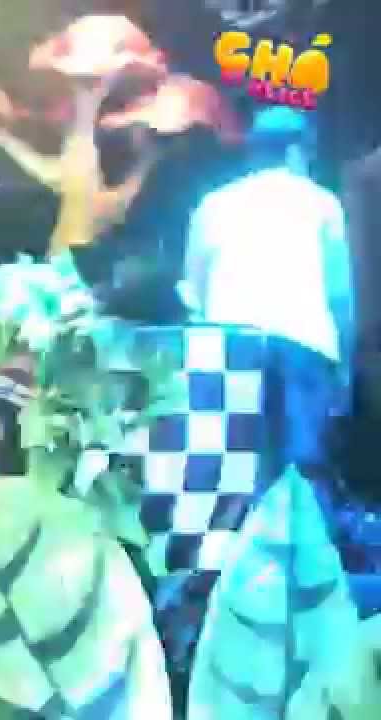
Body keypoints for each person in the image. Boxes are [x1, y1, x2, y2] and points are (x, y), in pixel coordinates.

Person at [179, 107, 354, 502]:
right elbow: (340, 294)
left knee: (231, 470)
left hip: (228, 345)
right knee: (303, 470)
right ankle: (301, 541)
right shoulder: (322, 203)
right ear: (296, 151)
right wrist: (344, 369)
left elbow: (193, 289)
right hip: (304, 343)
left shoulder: (214, 203)